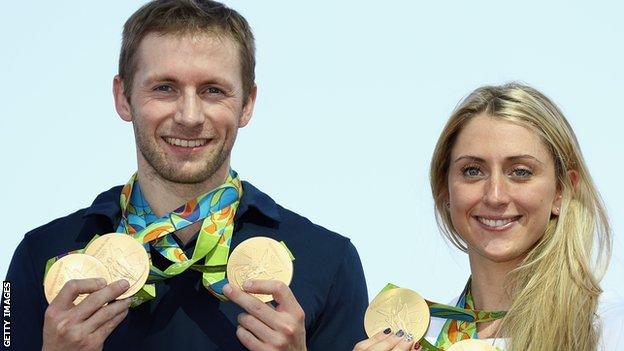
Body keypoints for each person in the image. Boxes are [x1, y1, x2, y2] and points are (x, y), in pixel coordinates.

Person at [2, 1, 368, 350]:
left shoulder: (331, 262)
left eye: (213, 90)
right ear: (123, 97)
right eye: (165, 88)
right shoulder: (38, 255)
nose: (190, 116)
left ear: (247, 104)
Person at [354, 83, 621, 350]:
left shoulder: (609, 328)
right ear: (444, 189)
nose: (495, 196)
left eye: (520, 171)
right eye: (472, 171)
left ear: (562, 191)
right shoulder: (420, 336)